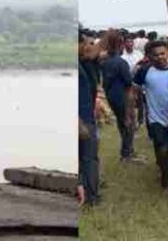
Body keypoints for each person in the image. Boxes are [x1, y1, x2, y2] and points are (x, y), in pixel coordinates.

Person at [131, 40, 168, 191]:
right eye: (155, 55)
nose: (160, 57)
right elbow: (134, 89)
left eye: (162, 53)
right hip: (156, 120)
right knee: (162, 149)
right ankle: (165, 180)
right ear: (149, 56)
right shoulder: (145, 71)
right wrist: (132, 108)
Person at [101, 35, 136, 162]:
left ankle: (127, 151)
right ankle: (127, 154)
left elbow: (104, 83)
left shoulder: (105, 63)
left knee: (122, 124)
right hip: (123, 97)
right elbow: (128, 83)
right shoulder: (121, 63)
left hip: (112, 97)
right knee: (129, 124)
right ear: (120, 46)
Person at [77, 30, 100, 206]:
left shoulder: (83, 63)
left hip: (87, 117)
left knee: (88, 158)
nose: (87, 47)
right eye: (84, 43)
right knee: (88, 158)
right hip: (82, 121)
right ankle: (91, 197)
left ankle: (88, 191)